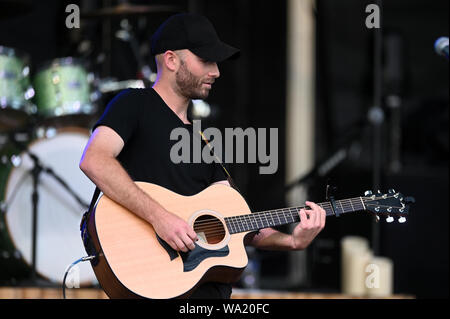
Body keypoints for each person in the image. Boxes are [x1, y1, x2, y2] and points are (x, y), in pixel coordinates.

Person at [79, 13, 325, 299]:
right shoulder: (134, 104)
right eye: (206, 61)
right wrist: (160, 218)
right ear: (172, 60)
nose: (216, 71)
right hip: (155, 279)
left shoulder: (204, 140)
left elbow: (236, 222)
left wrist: (293, 241)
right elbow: (94, 160)